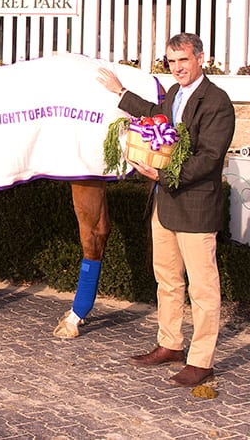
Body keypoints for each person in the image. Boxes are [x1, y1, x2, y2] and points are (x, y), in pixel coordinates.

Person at [97, 32, 235, 388]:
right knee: (168, 280)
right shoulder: (174, 93)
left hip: (195, 206)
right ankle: (170, 343)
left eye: (183, 61)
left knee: (203, 289)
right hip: (165, 203)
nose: (177, 69)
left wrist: (164, 174)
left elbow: (209, 157)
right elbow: (157, 116)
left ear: (200, 58)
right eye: (172, 62)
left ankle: (201, 361)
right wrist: (121, 92)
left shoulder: (217, 102)